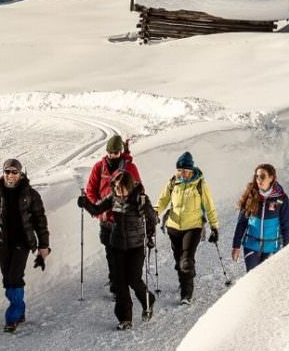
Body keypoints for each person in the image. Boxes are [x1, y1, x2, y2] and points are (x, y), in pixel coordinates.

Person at [78, 169, 156, 330]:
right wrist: (85, 202)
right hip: (117, 244)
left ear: (129, 185)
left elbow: (152, 219)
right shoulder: (113, 197)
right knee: (119, 282)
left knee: (133, 279)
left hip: (135, 246)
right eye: (115, 187)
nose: (118, 191)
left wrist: (147, 218)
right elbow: (96, 210)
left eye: (121, 188)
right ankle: (125, 318)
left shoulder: (140, 198)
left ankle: (148, 299)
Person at [0, 158, 50, 333]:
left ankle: (12, 317)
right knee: (7, 279)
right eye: (7, 172)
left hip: (22, 242)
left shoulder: (31, 195)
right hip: (2, 242)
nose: (10, 176)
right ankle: (20, 310)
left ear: (20, 173)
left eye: (14, 172)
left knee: (14, 278)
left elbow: (40, 222)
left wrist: (44, 245)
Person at [155, 152, 219, 305]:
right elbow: (162, 201)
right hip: (173, 227)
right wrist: (154, 213)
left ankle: (186, 294)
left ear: (191, 170)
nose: (181, 173)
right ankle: (186, 278)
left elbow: (209, 206)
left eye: (184, 170)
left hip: (193, 227)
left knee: (186, 261)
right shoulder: (173, 182)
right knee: (179, 260)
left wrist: (214, 227)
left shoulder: (200, 184)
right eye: (179, 170)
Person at [85, 135, 142, 295]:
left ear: (120, 152)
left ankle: (120, 284)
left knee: (122, 254)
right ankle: (115, 280)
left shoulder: (130, 168)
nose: (112, 155)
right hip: (105, 219)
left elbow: (138, 190)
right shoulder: (99, 167)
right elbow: (91, 190)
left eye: (115, 152)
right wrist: (99, 211)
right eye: (109, 152)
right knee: (111, 253)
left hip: (123, 219)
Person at [231, 164, 289, 272]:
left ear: (271, 178)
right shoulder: (251, 195)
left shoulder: (281, 198)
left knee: (266, 280)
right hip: (251, 246)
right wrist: (236, 246)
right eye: (257, 176)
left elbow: (286, 225)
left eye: (262, 176)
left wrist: (288, 249)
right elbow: (241, 223)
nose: (259, 180)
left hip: (272, 248)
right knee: (252, 277)